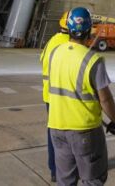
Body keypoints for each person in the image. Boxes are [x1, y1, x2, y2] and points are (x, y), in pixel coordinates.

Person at [48, 7, 115, 186]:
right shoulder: (93, 60)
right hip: (84, 130)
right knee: (93, 179)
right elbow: (105, 99)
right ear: (89, 30)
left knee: (65, 180)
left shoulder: (54, 53)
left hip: (56, 127)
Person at [40, 11, 71, 182]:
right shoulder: (68, 45)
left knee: (54, 134)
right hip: (63, 97)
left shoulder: (52, 40)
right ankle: (66, 169)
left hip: (49, 95)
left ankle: (55, 170)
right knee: (69, 135)